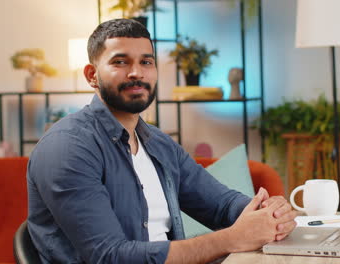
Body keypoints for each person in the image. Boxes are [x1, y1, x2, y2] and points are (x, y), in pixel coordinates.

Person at [27, 18, 297, 264]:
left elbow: (221, 204)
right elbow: (110, 256)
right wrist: (232, 238)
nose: (137, 73)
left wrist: (268, 212)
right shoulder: (68, 147)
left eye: (146, 62)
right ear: (91, 76)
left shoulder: (157, 143)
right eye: (120, 62)